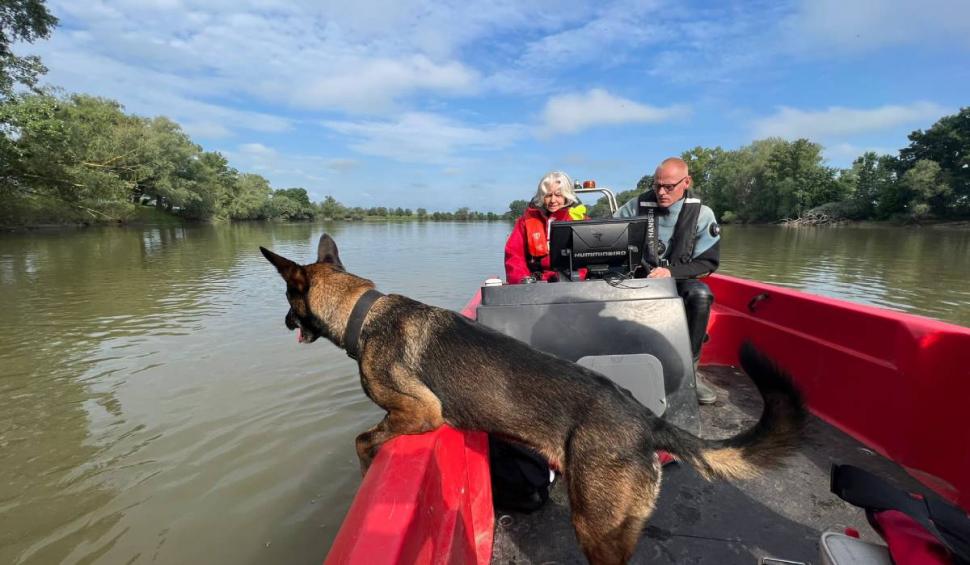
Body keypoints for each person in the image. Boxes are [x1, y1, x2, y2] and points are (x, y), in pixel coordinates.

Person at [615, 157, 720, 405]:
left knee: (701, 295)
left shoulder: (703, 214)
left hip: (678, 280)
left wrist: (670, 273)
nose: (661, 192)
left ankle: (690, 372)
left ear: (686, 182)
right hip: (639, 278)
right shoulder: (635, 206)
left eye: (669, 187)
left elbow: (708, 262)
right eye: (657, 185)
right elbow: (608, 234)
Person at [504, 171, 588, 284]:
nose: (553, 200)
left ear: (566, 196)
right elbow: (514, 256)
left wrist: (576, 278)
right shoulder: (525, 221)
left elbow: (588, 259)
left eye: (558, 195)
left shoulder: (582, 221)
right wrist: (523, 281)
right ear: (542, 197)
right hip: (536, 284)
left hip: (572, 282)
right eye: (548, 195)